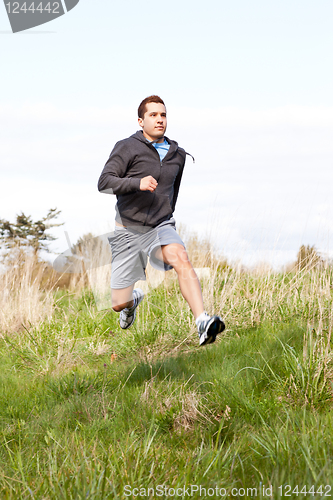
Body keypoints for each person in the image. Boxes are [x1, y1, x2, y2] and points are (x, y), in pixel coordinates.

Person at [98, 95, 225, 345]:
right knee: (117, 303)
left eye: (163, 115)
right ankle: (131, 302)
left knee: (181, 258)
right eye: (153, 115)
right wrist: (137, 183)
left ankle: (202, 321)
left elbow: (172, 192)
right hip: (128, 229)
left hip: (160, 225)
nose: (159, 119)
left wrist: (165, 214)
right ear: (140, 120)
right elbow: (104, 182)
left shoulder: (178, 154)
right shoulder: (126, 147)